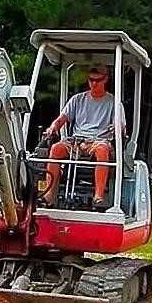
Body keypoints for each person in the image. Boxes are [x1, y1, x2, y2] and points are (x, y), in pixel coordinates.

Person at [42, 65, 123, 207]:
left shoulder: (113, 103)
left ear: (106, 80)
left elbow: (121, 126)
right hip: (76, 141)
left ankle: (98, 196)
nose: (94, 83)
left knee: (102, 150)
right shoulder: (77, 99)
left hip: (98, 141)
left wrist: (117, 128)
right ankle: (49, 195)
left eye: (98, 80)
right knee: (56, 149)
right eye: (91, 80)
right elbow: (61, 119)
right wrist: (53, 127)